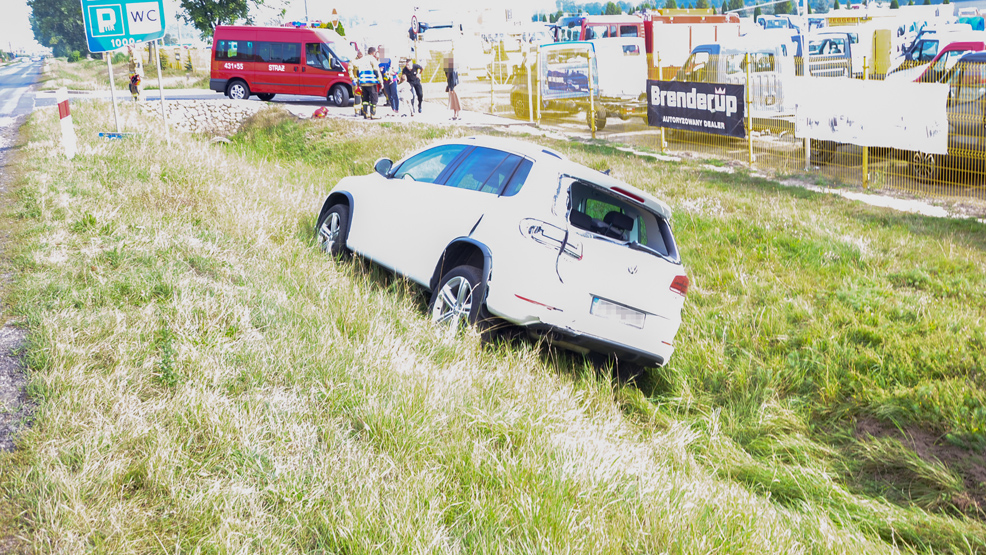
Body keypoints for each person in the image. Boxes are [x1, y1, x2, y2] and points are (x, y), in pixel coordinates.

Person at [356, 46, 383, 118]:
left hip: (363, 82)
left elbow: (357, 71)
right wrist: (381, 82)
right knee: (374, 98)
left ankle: (365, 113)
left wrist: (359, 82)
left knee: (365, 98)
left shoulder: (361, 60)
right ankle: (373, 114)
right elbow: (376, 71)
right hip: (371, 82)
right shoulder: (372, 59)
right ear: (373, 52)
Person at [445, 55, 461, 120]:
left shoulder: (452, 70)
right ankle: (455, 114)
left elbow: (453, 79)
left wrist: (451, 88)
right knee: (454, 101)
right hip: (452, 86)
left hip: (454, 87)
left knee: (455, 101)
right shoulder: (450, 70)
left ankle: (457, 114)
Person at [349, 48, 363, 117]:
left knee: (365, 98)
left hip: (364, 81)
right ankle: (357, 112)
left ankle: (363, 111)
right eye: (360, 54)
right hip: (356, 82)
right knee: (357, 97)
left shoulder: (366, 61)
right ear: (358, 53)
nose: (361, 55)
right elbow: (350, 70)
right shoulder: (353, 61)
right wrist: (352, 79)